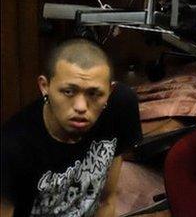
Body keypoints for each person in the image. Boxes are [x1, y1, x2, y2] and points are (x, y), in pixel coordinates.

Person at [1, 38, 141, 217]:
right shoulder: (12, 147)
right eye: (68, 91)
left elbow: (107, 199)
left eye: (94, 93)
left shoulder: (121, 105)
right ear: (45, 87)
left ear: (110, 91)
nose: (81, 107)